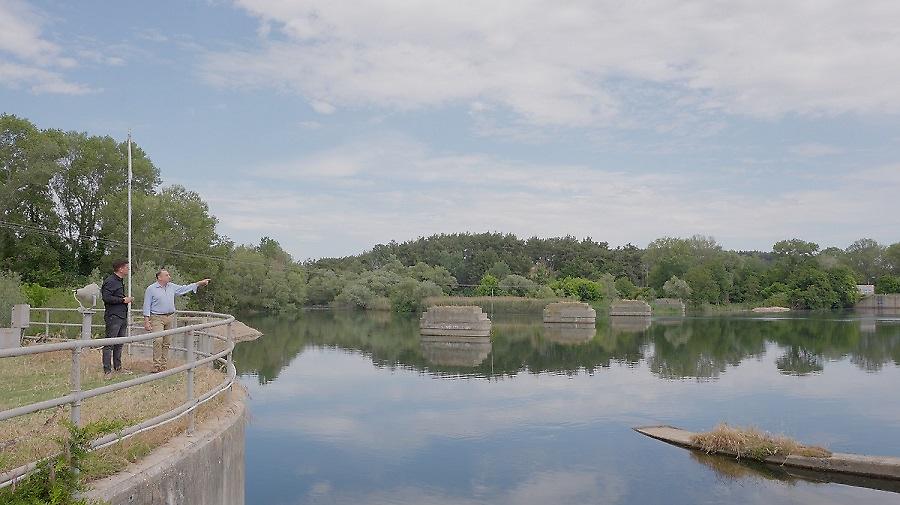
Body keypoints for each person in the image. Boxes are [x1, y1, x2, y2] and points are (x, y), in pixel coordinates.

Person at [143, 269, 211, 372]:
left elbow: (184, 288)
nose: (169, 277)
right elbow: (146, 305)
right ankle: (156, 365)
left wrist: (198, 283)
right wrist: (146, 321)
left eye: (169, 275)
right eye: (166, 275)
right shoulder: (151, 289)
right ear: (159, 277)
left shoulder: (172, 287)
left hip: (170, 317)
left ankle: (163, 365)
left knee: (167, 342)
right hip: (157, 317)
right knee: (158, 340)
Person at [101, 259, 133, 376]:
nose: (128, 269)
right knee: (109, 343)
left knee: (119, 343)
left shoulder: (119, 281)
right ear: (120, 268)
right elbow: (106, 298)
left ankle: (118, 368)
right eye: (127, 267)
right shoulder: (110, 281)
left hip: (122, 316)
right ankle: (107, 370)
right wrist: (123, 300)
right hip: (113, 316)